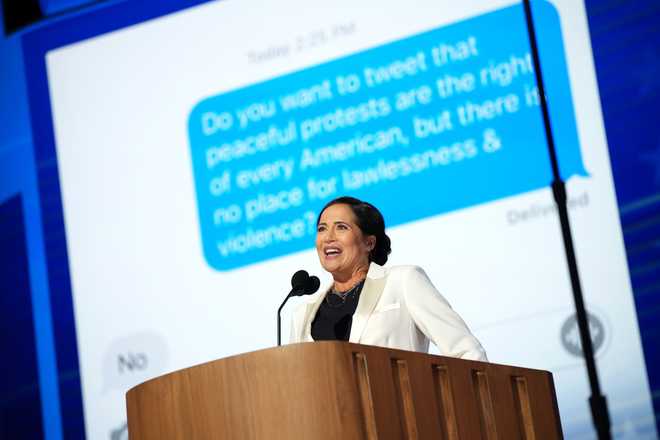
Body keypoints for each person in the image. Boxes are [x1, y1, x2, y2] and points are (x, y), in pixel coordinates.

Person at [289, 196, 487, 361]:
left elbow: (467, 351)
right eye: (322, 228)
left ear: (369, 242)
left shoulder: (403, 281)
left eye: (341, 227)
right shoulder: (303, 313)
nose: (328, 237)